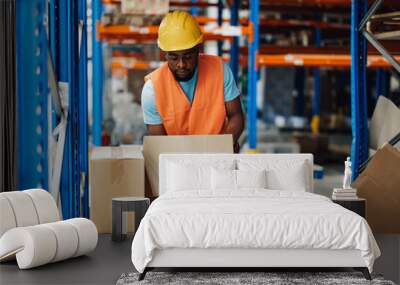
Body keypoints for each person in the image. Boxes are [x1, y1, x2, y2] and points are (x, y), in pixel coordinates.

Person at [141, 10, 244, 152]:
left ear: (198, 50)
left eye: (188, 56)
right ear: (164, 54)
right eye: (174, 57)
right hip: (176, 163)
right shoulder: (152, 90)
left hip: (218, 159)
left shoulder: (220, 70)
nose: (181, 64)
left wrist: (225, 145)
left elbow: (236, 115)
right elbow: (161, 146)